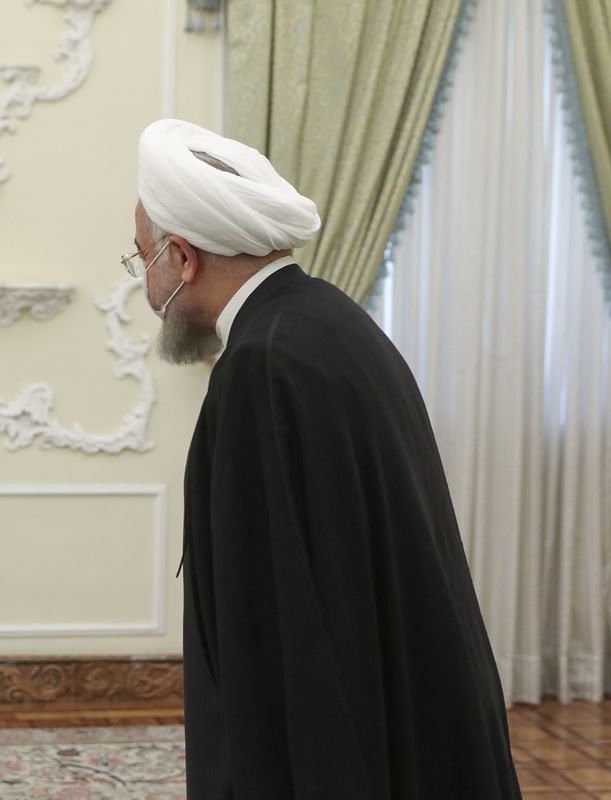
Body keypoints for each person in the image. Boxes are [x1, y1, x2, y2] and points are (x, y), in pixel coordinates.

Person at [130, 119, 521, 799]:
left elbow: (285, 632)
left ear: (182, 257)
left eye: (143, 261)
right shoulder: (324, 318)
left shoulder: (266, 364)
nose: (145, 286)